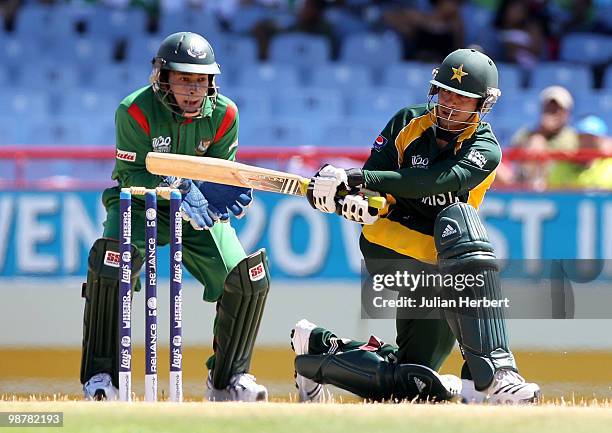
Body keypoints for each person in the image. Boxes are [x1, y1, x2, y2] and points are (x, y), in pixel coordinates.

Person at [294, 48, 541, 404]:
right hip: (388, 245)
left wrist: (358, 178)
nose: (450, 103)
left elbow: (435, 180)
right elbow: (378, 188)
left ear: (482, 104)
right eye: (445, 92)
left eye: (462, 97)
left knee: (412, 383)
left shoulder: (486, 149)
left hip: (443, 258)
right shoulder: (407, 122)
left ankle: (315, 350)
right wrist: (354, 199)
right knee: (469, 254)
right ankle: (494, 378)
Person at [80, 32, 270, 402]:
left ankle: (228, 380)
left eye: (201, 80)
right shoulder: (133, 110)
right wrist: (177, 184)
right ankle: (101, 378)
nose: (193, 89)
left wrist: (215, 188)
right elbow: (130, 175)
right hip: (137, 203)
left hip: (195, 212)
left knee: (245, 278)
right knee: (110, 266)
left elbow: (218, 173)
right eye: (184, 78)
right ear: (162, 77)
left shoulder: (225, 113)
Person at [511, 85, 579, 190]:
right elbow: (512, 153)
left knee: (537, 141)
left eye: (557, 109)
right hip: (522, 179)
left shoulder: (572, 136)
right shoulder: (527, 133)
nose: (552, 113)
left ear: (567, 113)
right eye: (549, 108)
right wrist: (541, 132)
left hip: (558, 183)